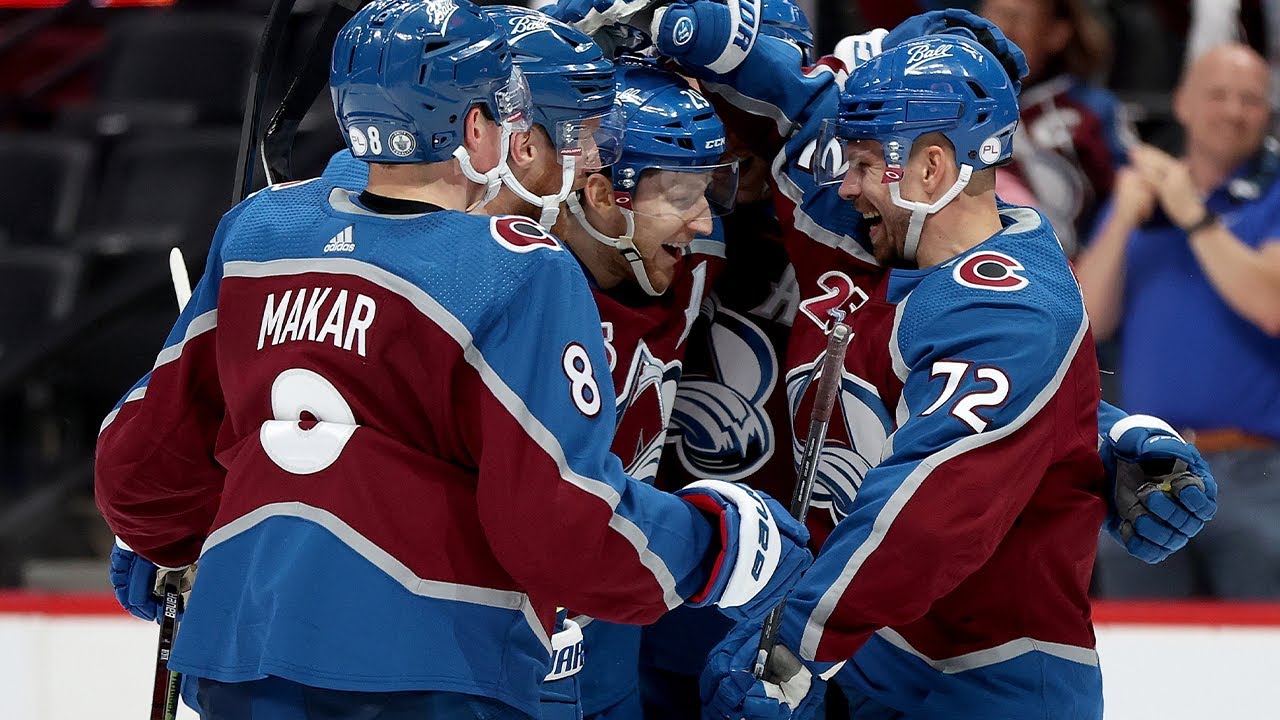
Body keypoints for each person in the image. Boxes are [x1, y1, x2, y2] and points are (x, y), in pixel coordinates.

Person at [95, 2, 812, 719]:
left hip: (239, 655)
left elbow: (138, 471)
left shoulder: (263, 230)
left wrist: (186, 542)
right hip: (433, 667)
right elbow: (560, 529)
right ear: (477, 129)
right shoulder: (515, 268)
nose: (585, 155)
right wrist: (714, 542)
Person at [699, 33, 1112, 719]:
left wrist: (794, 643)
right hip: (887, 659)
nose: (847, 185)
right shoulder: (922, 274)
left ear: (931, 168)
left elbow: (930, 514)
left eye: (862, 163)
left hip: (989, 684)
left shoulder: (1007, 306)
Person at [1077, 43, 1280, 599]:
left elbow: (1272, 305)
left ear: (1268, 113)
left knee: (1264, 663)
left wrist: (1189, 209)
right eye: (1218, 95)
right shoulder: (1142, 199)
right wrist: (1122, 217)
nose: (1233, 111)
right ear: (1183, 103)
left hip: (1261, 472)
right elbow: (1086, 322)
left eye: (1250, 100)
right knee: (1136, 658)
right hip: (1147, 466)